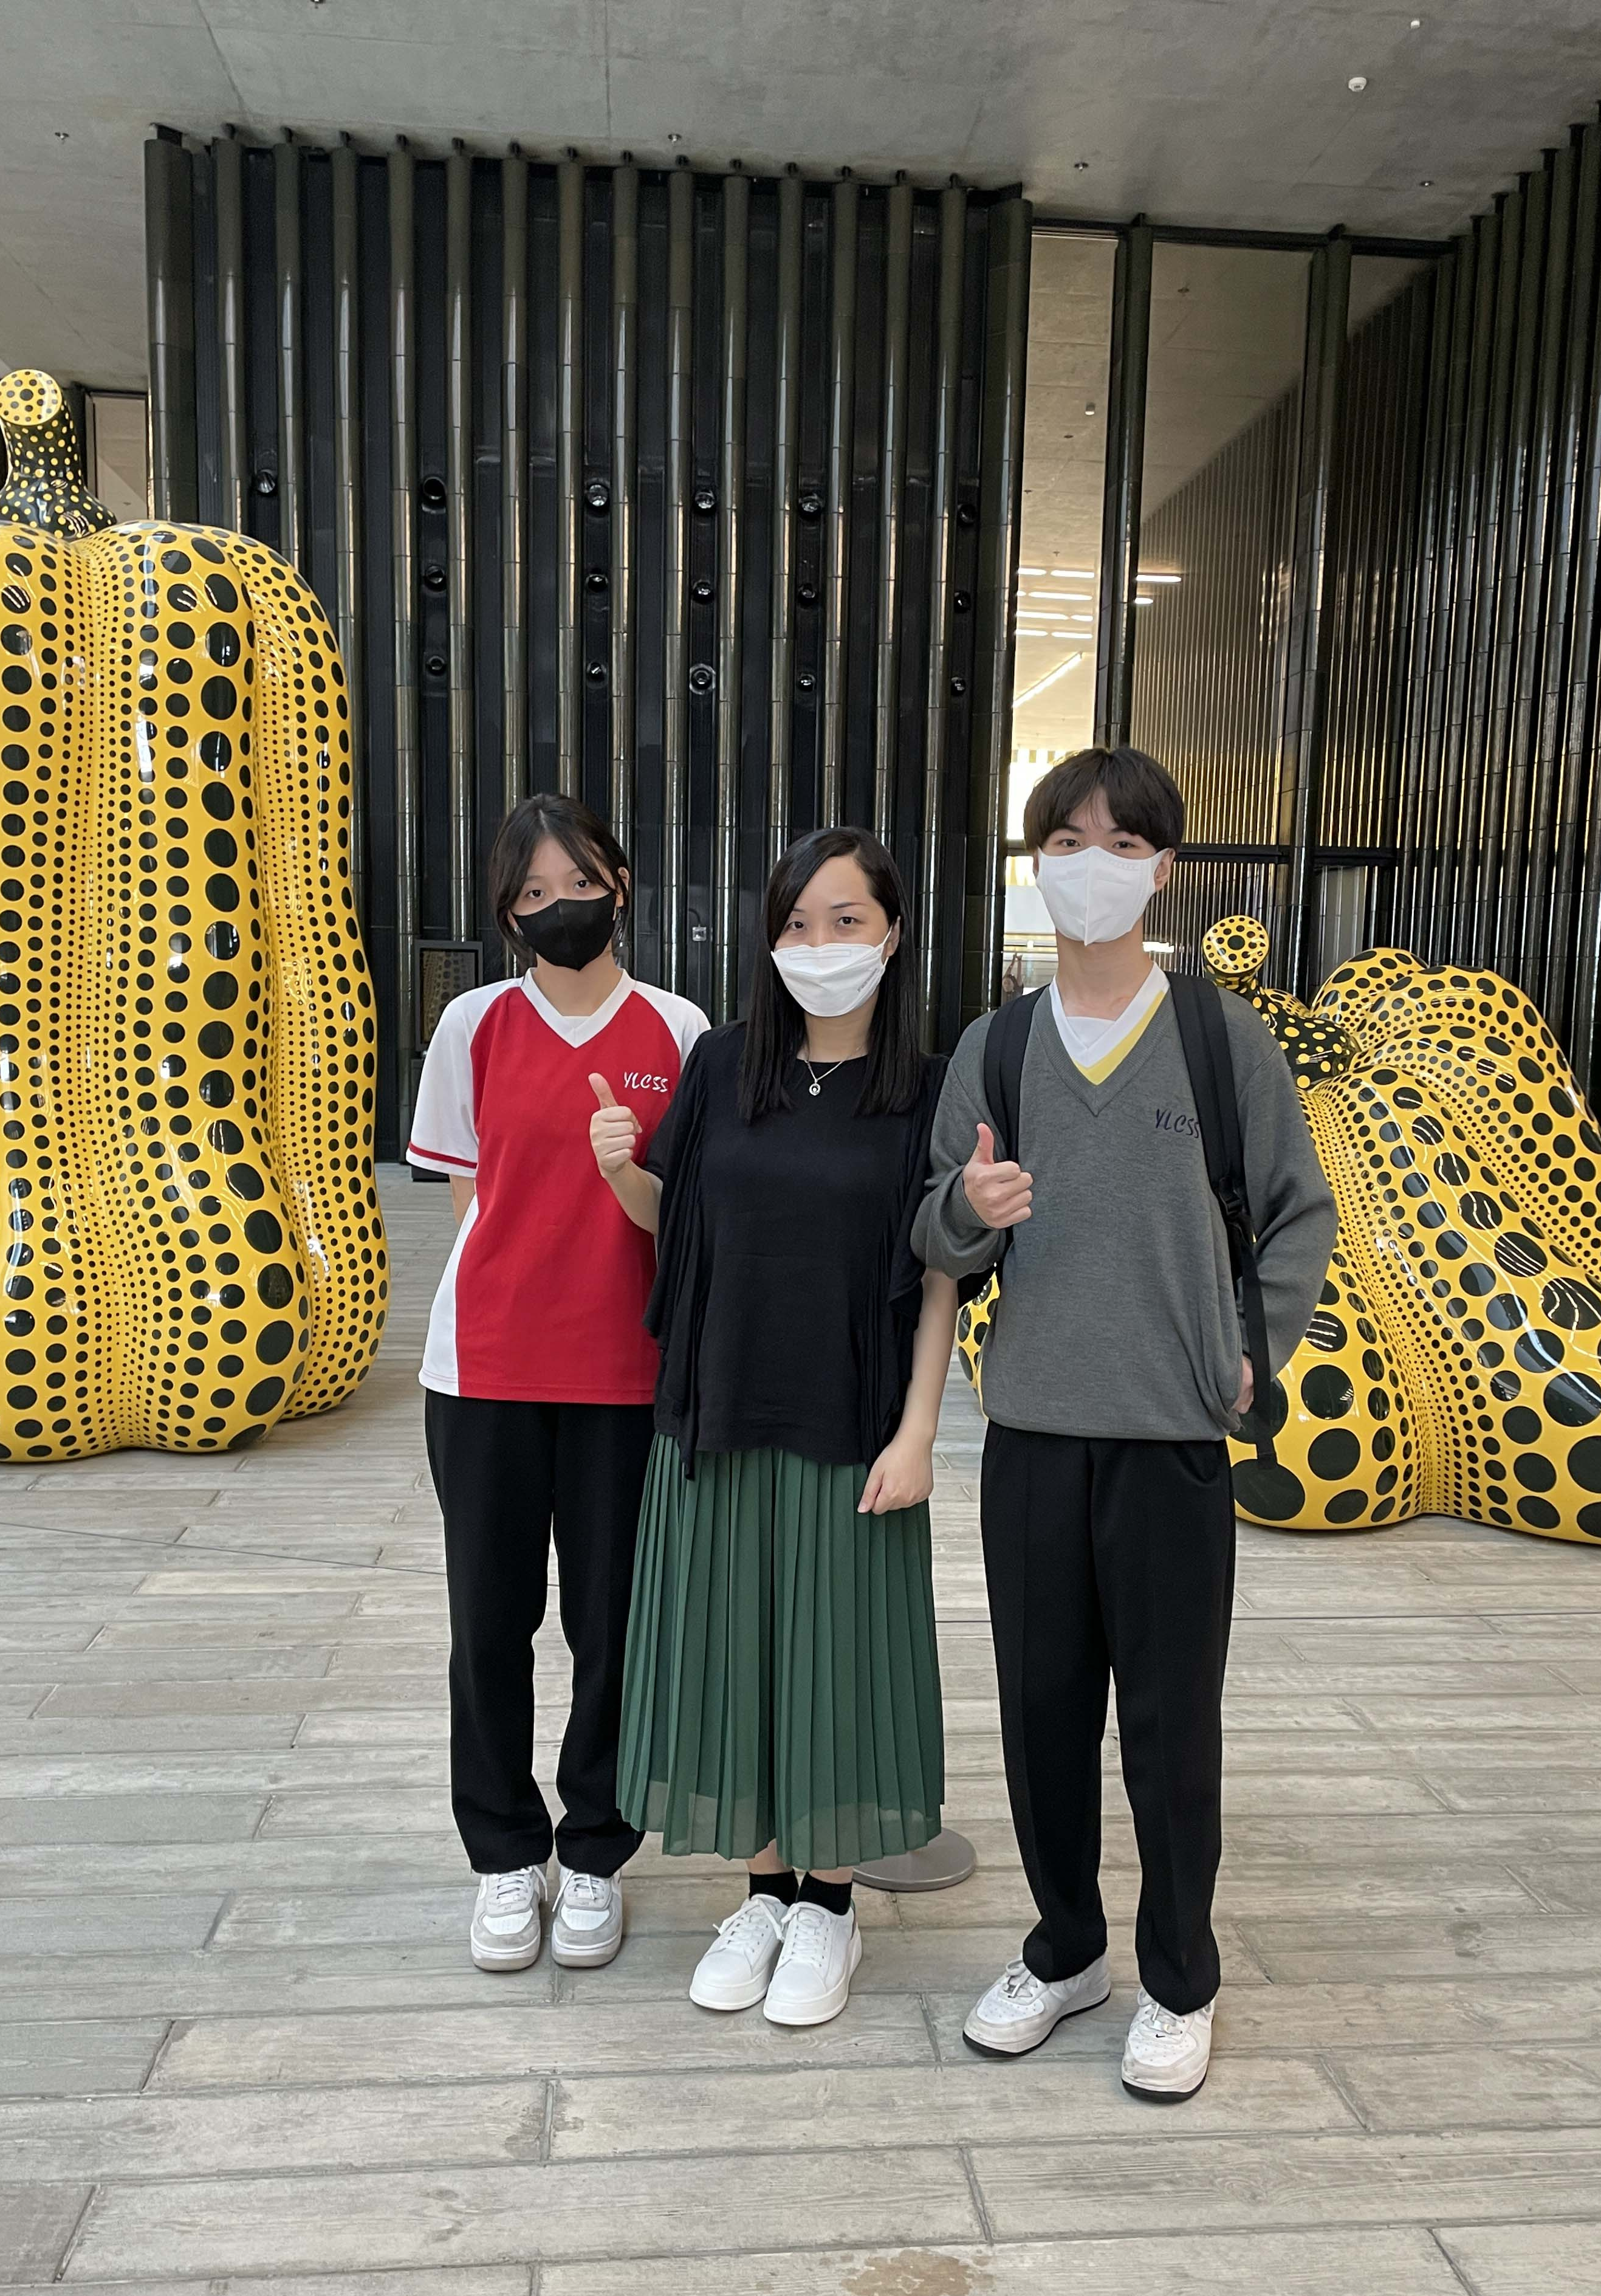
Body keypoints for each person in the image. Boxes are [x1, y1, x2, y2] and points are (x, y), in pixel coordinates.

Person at [913, 746, 1335, 2098]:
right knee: (1042, 1716)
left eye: (1122, 842)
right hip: (1034, 1434)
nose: (1090, 865)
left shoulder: (1220, 1039)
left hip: (1171, 1441)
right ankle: (1066, 1950)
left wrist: (1254, 1345)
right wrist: (967, 1213)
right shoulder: (997, 1047)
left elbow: (1299, 1209)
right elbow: (934, 1231)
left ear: (1163, 869)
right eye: (1065, 842)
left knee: (1168, 1726)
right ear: (1035, 865)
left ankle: (1180, 1978)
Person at [596, 827, 958, 2028]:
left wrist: (918, 1433)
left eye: (846, 920)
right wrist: (619, 1170)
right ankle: (762, 1895)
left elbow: (941, 1274)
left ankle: (830, 1908)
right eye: (797, 924)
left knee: (833, 1667)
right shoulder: (723, 1064)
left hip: (851, 1424)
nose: (819, 944)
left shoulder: (927, 1088)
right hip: (718, 1409)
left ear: (892, 934)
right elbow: (679, 1220)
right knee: (737, 1659)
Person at [409, 793, 708, 1977]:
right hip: (483, 1374)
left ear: (620, 887)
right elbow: (469, 1200)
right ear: (507, 914)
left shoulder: (680, 1031)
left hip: (627, 1379)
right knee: (488, 1626)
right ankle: (503, 1855)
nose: (559, 907)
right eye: (532, 893)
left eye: (579, 884)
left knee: (613, 1628)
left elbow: (685, 1221)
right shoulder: (472, 1024)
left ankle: (593, 1851)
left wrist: (624, 1175)